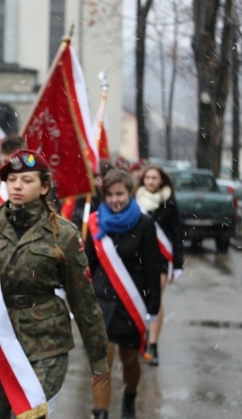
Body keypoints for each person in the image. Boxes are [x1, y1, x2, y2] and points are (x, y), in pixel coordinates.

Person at [0, 149, 109, 419]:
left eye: (26, 180)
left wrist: (98, 358)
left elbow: (84, 302)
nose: (17, 186)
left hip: (46, 344)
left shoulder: (64, 234)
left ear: (45, 187)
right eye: (11, 180)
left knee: (31, 415)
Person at [86, 169, 161, 419]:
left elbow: (152, 268)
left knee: (130, 362)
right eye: (110, 195)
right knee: (101, 363)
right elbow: (89, 264)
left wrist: (152, 308)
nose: (115, 199)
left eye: (120, 194)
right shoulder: (95, 222)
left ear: (130, 193)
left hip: (131, 304)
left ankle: (129, 398)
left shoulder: (145, 223)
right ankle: (101, 413)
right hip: (102, 303)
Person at [135, 165, 184, 366]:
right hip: (139, 257)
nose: (151, 181)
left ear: (161, 180)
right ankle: (141, 339)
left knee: (156, 297)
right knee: (140, 297)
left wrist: (178, 263)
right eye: (147, 178)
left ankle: (153, 346)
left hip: (161, 259)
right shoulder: (135, 201)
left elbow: (177, 233)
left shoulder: (169, 203)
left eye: (155, 178)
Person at [72, 160, 114, 230]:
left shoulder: (115, 196)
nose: (97, 183)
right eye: (96, 179)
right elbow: (77, 219)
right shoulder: (85, 197)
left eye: (101, 179)